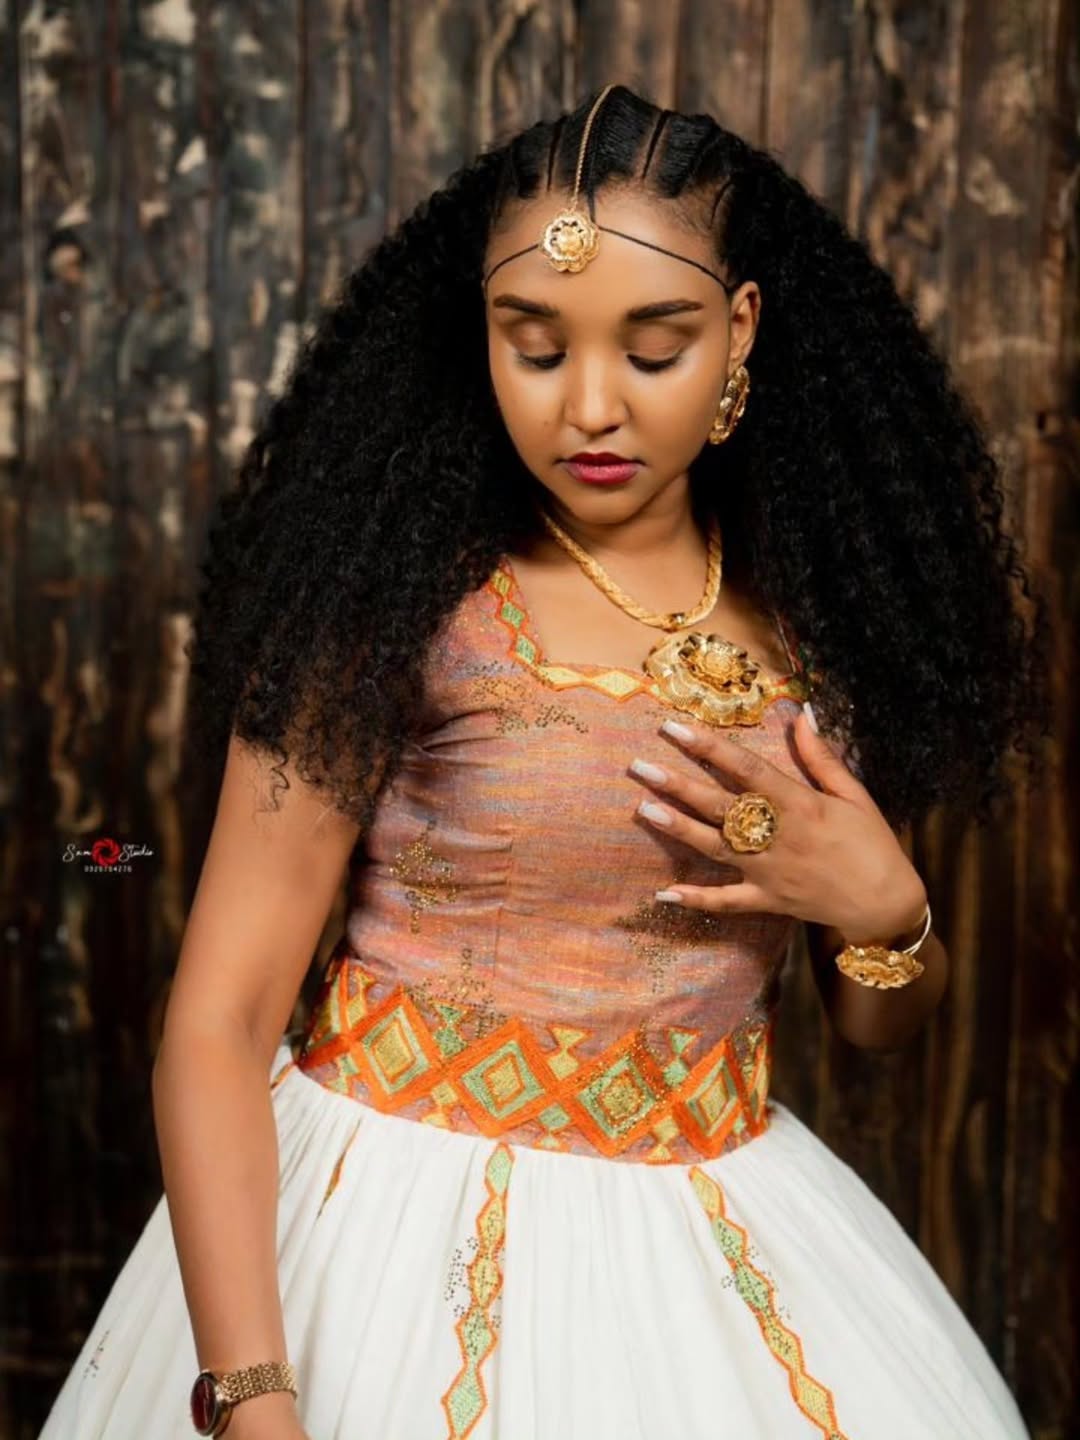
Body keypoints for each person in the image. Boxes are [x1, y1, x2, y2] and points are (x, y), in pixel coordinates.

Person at [38, 82, 1048, 1440]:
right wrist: (252, 1396)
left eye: (654, 347)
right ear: (484, 341)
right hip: (388, 1230)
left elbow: (873, 1021)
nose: (591, 407)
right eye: (535, 346)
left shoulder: (821, 625)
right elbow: (215, 1025)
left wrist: (890, 917)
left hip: (713, 1241)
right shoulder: (395, 601)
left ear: (738, 331)